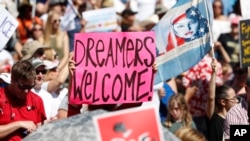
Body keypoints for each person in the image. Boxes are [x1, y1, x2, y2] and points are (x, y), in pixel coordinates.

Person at [0, 60, 46, 141]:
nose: (26, 91)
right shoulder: (1, 96)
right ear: (12, 79)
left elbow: (41, 134)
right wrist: (19, 124)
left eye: (30, 87)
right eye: (22, 87)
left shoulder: (37, 100)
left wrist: (33, 134)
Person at [206, 58, 238, 141]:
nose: (237, 101)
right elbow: (211, 98)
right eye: (233, 98)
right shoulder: (214, 118)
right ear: (223, 102)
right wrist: (214, 73)